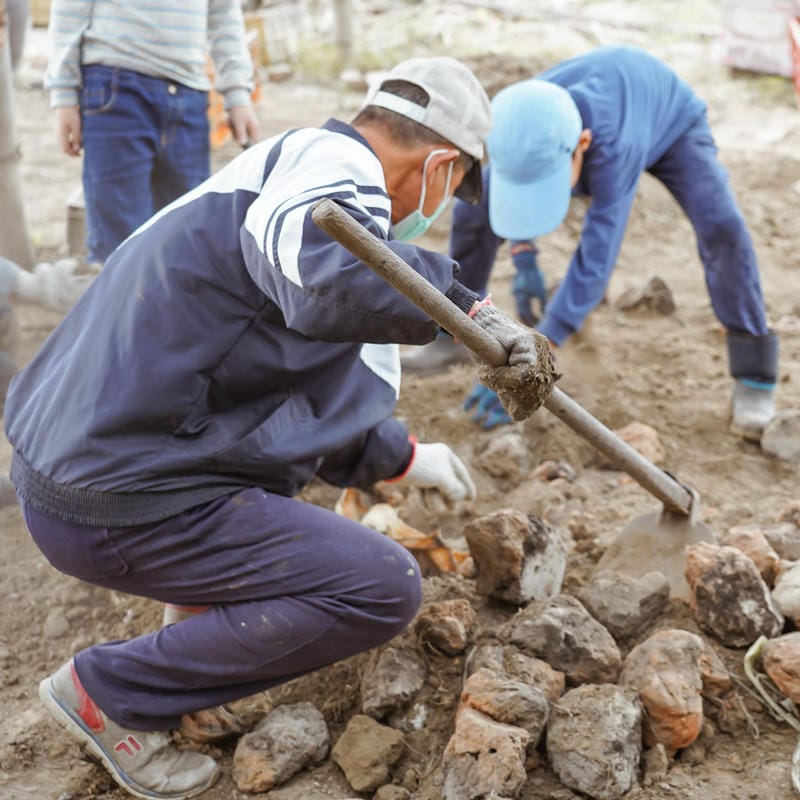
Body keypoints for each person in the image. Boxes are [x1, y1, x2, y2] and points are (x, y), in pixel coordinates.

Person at [7, 57, 538, 800]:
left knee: (274, 508)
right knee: (380, 586)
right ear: (443, 164)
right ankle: (110, 691)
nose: (443, 208)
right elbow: (321, 274)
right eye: (455, 190)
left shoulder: (281, 162)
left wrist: (399, 454)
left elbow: (279, 373)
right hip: (113, 497)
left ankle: (183, 686)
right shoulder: (334, 177)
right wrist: (464, 307)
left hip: (86, 459)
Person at [403, 45, 779, 441]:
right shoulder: (520, 117)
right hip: (582, 120)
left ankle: (755, 374)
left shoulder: (614, 148)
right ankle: (452, 335)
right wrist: (523, 252)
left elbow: (597, 256)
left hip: (669, 119)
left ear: (582, 145)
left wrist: (541, 350)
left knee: (723, 227)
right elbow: (512, 186)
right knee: (473, 211)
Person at [45, 0, 262, 264]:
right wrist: (64, 93)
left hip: (189, 94)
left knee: (184, 239)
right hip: (116, 85)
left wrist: (238, 94)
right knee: (120, 243)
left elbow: (223, 11)